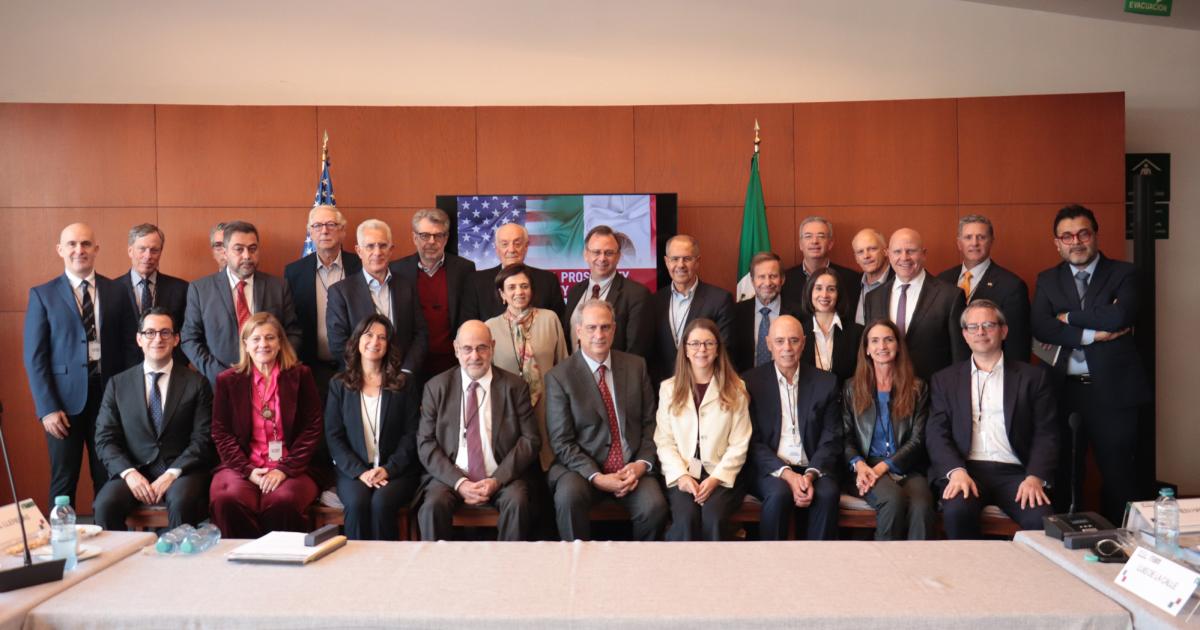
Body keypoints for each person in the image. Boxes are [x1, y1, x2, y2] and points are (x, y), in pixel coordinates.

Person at [1032, 204, 1151, 524]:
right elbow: (1041, 326)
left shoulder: (1125, 273)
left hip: (1114, 392)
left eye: (1083, 233)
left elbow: (1120, 316)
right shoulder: (1047, 279)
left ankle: (1121, 545)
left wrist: (1068, 318)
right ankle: (1065, 542)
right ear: (1057, 242)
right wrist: (1093, 335)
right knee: (1065, 473)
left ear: (1095, 235)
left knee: (1119, 475)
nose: (1076, 241)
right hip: (1063, 392)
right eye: (1067, 236)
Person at [24, 223, 137, 506]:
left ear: (96, 249)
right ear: (60, 250)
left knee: (108, 477)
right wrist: (47, 408)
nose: (79, 250)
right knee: (64, 480)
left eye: (86, 244)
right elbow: (35, 358)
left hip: (109, 399)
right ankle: (63, 548)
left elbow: (129, 349)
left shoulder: (117, 291)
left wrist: (127, 401)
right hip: (62, 405)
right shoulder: (43, 295)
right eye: (72, 244)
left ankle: (112, 542)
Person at [926, 300, 1057, 539]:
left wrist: (1035, 476)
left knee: (1040, 519)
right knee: (956, 511)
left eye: (988, 325)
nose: (981, 332)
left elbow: (1046, 432)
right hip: (967, 470)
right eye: (973, 327)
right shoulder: (945, 380)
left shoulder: (1033, 377)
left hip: (1017, 474)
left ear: (1003, 331)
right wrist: (955, 472)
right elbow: (937, 433)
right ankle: (969, 575)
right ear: (964, 335)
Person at [544, 299, 667, 541]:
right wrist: (597, 477)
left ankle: (640, 572)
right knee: (568, 497)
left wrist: (641, 464)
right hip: (582, 470)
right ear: (578, 331)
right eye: (591, 328)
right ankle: (577, 571)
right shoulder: (560, 377)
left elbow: (650, 424)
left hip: (631, 467)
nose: (599, 334)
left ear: (614, 329)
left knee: (654, 507)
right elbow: (562, 442)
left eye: (605, 327)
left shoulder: (636, 366)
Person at [416, 321, 540, 541]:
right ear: (456, 349)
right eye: (467, 349)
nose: (475, 356)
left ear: (492, 346)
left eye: (482, 347)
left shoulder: (515, 386)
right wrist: (459, 482)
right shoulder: (436, 388)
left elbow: (530, 440)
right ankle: (436, 573)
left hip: (502, 475)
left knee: (518, 502)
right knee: (432, 507)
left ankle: (509, 571)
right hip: (451, 477)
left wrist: (497, 479)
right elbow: (425, 443)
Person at [93, 308, 213, 531]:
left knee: (181, 501)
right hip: (135, 470)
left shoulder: (197, 383)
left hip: (181, 472)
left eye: (165, 333)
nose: (157, 339)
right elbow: (104, 439)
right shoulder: (118, 384)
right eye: (150, 332)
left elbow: (203, 439)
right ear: (139, 339)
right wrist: (129, 474)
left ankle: (177, 564)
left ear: (176, 339)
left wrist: (171, 474)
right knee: (105, 505)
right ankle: (121, 564)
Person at [208, 313, 323, 538]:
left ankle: (281, 566)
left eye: (270, 338)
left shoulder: (300, 375)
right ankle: (245, 563)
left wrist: (284, 470)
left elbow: (312, 428)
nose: (263, 344)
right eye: (256, 338)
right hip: (243, 466)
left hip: (293, 467)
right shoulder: (228, 380)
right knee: (227, 500)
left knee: (282, 501)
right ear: (245, 344)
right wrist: (248, 471)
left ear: (280, 342)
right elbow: (221, 433)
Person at [743, 315, 841, 540]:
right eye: (779, 341)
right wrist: (787, 474)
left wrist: (809, 474)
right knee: (778, 494)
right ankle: (772, 566)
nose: (787, 348)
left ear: (804, 343)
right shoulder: (750, 382)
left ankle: (818, 564)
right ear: (768, 344)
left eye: (794, 340)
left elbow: (831, 437)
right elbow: (752, 441)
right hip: (772, 470)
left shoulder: (826, 382)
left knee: (827, 494)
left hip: (814, 467)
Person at [324, 314, 421, 540]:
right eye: (368, 335)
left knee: (381, 502)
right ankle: (357, 569)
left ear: (388, 345)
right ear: (357, 340)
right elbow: (333, 436)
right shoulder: (339, 384)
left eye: (382, 337)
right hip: (353, 471)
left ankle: (385, 567)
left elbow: (412, 434)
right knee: (357, 503)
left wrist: (388, 469)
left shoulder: (403, 383)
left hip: (396, 471)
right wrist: (361, 472)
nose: (374, 342)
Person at [654, 318, 751, 541]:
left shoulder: (736, 388)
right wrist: (681, 476)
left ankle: (715, 572)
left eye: (709, 343)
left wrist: (716, 478)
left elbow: (740, 443)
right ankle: (686, 573)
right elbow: (664, 441)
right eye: (695, 344)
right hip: (683, 474)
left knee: (713, 517)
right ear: (685, 350)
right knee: (686, 518)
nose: (702, 349)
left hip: (721, 474)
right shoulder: (669, 389)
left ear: (718, 349)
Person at [841, 319, 932, 540]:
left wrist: (885, 467)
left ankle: (917, 569)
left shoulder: (917, 387)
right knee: (892, 499)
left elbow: (918, 439)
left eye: (888, 340)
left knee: (923, 506)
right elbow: (845, 437)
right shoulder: (852, 388)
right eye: (875, 341)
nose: (882, 346)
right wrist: (859, 465)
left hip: (906, 467)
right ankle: (884, 570)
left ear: (898, 346)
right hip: (865, 467)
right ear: (867, 350)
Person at [182, 221, 302, 386]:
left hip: (270, 383)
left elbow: (293, 333)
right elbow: (189, 339)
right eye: (239, 249)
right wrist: (218, 373)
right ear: (224, 252)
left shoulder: (278, 287)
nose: (247, 255)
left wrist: (276, 367)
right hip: (220, 385)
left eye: (252, 249)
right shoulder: (200, 289)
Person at [484, 264, 568, 472]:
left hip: (548, 408)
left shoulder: (550, 319)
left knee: (548, 468)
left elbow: (564, 365)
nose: (519, 292)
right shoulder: (489, 327)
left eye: (524, 286)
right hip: (509, 410)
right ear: (502, 294)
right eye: (511, 287)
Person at [863, 228, 968, 381]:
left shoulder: (950, 296)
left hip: (934, 391)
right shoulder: (873, 297)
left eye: (911, 251)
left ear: (924, 254)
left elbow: (960, 355)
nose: (904, 258)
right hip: (886, 388)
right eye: (897, 251)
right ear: (888, 254)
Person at [325, 219, 428, 376]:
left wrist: (407, 370)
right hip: (359, 380)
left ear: (391, 250)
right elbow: (338, 343)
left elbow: (420, 333)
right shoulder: (340, 292)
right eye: (370, 246)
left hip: (402, 379)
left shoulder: (407, 286)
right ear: (359, 251)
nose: (377, 252)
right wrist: (368, 374)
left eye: (382, 245)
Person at [284, 205, 362, 398]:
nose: (324, 230)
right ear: (310, 232)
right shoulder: (294, 272)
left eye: (331, 225)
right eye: (317, 226)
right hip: (311, 367)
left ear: (343, 231)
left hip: (357, 366)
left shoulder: (361, 266)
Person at [390, 208, 477, 377]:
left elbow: (469, 314)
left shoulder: (464, 269)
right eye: (424, 235)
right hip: (410, 364)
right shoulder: (397, 270)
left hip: (453, 363)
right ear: (414, 237)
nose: (431, 241)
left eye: (438, 235)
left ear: (446, 238)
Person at [936, 214, 1031, 362]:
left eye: (981, 237)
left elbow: (1017, 345)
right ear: (959, 243)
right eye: (968, 237)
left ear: (991, 241)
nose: (974, 243)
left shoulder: (1012, 286)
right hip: (947, 373)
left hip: (991, 372)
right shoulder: (942, 280)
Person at [650, 235, 734, 383]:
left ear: (697, 262)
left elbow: (723, 350)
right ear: (666, 262)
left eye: (687, 259)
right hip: (663, 390)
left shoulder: (719, 300)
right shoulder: (654, 301)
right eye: (675, 259)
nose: (680, 265)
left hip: (705, 387)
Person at [562, 225, 653, 358]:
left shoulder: (637, 294)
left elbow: (636, 352)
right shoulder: (575, 291)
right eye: (596, 252)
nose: (602, 258)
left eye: (609, 253)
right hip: (574, 374)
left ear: (618, 256)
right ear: (586, 255)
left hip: (613, 376)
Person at [114, 224, 189, 364]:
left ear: (161, 252)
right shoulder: (112, 289)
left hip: (170, 370)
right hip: (124, 372)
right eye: (142, 249)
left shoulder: (181, 289)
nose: (148, 256)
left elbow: (187, 334)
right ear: (130, 251)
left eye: (154, 250)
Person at [462, 222, 565, 322]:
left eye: (517, 243)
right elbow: (468, 327)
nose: (511, 249)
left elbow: (559, 325)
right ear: (497, 249)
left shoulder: (548, 280)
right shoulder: (476, 282)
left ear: (526, 246)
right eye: (505, 244)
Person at [731, 252, 801, 373]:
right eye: (761, 277)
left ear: (782, 279)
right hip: (744, 383)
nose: (768, 283)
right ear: (752, 281)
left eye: (773, 276)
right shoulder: (736, 313)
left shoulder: (799, 313)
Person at [782, 217, 860, 323]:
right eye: (808, 236)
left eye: (821, 236)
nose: (814, 241)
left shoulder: (851, 278)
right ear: (800, 244)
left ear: (830, 243)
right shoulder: (785, 280)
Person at [800, 267, 864, 385]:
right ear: (810, 292)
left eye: (831, 289)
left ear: (838, 294)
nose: (824, 295)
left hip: (845, 402)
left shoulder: (857, 333)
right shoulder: (798, 332)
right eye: (818, 288)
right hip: (808, 402)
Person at [850, 228, 892, 326]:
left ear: (885, 251)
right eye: (860, 252)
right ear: (856, 258)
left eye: (872, 249)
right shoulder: (851, 284)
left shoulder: (899, 282)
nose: (866, 256)